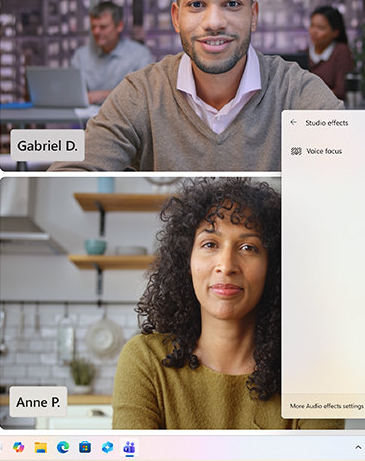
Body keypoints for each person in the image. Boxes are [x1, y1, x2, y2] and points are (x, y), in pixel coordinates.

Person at [50, 0, 342, 172]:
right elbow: (74, 168)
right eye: (197, 4)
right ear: (177, 17)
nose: (214, 21)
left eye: (231, 4)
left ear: (253, 16)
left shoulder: (296, 91)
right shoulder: (142, 92)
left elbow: (357, 165)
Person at [111, 178, 342, 429]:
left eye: (248, 247)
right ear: (186, 263)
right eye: (210, 244)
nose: (227, 265)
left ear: (274, 268)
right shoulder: (146, 360)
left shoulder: (314, 375)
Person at [70, 1, 153, 104]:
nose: (96, 32)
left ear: (119, 26)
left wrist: (102, 95)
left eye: (103, 27)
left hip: (125, 118)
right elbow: (72, 93)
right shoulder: (81, 56)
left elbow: (144, 95)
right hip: (86, 119)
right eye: (93, 27)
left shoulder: (139, 54)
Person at [307, 5, 354, 100]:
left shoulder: (341, 51)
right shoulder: (303, 53)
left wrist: (308, 94)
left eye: (320, 28)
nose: (313, 31)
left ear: (335, 32)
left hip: (331, 111)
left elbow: (340, 92)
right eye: (312, 26)